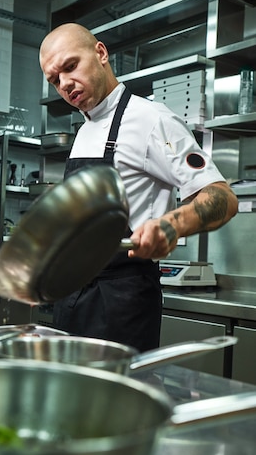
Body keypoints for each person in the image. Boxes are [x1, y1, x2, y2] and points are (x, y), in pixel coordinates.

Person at [39, 23, 238, 352]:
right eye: (54, 79)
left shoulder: (151, 119)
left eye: (70, 66)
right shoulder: (84, 129)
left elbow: (222, 197)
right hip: (72, 296)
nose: (65, 84)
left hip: (121, 301)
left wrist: (171, 226)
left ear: (101, 53)